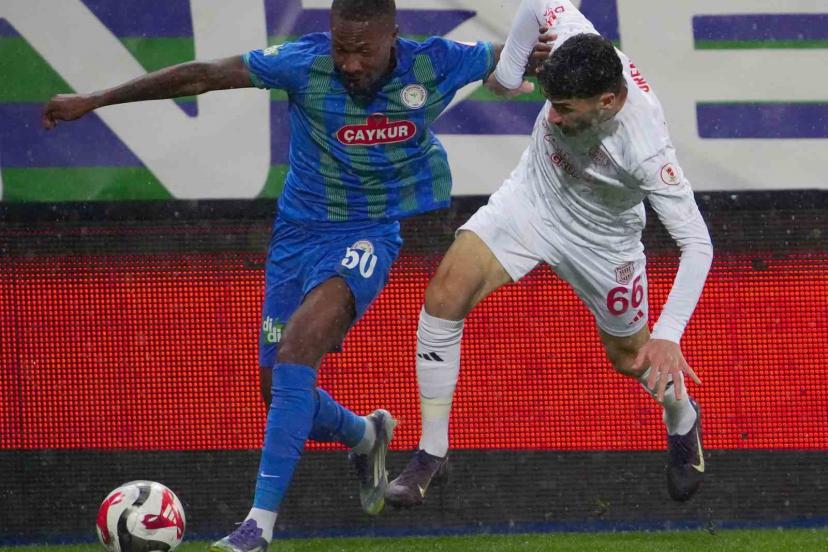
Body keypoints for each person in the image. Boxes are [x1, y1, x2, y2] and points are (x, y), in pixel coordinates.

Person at [41, 1, 544, 549]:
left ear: (393, 36)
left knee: (297, 350)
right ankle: (365, 434)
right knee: (277, 389)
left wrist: (552, 58)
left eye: (363, 50)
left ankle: (257, 527)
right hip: (296, 237)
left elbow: (513, 56)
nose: (350, 63)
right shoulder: (304, 63)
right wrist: (95, 99)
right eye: (341, 48)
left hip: (368, 234)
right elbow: (203, 75)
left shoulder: (436, 62)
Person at [385, 0, 713, 509]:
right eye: (550, 102)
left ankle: (682, 416)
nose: (552, 116)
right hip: (533, 196)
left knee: (631, 358)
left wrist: (669, 334)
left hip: (603, 238)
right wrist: (510, 71)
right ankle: (433, 450)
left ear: (607, 101)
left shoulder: (647, 149)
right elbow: (538, 3)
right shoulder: (572, 37)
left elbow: (698, 244)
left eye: (565, 108)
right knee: (444, 295)